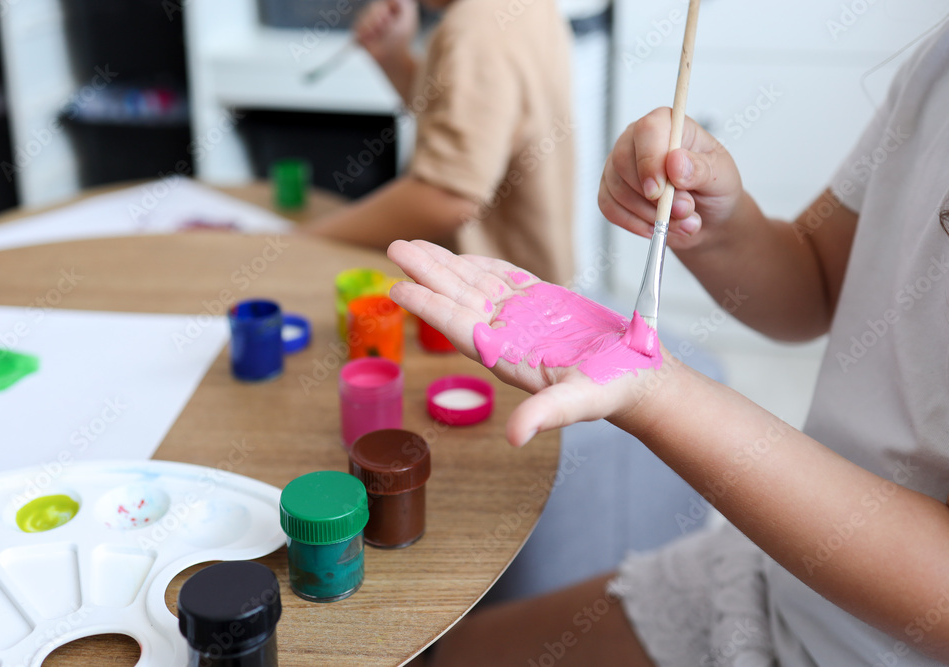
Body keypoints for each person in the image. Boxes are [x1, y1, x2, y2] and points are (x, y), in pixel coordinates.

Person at [387, 18, 949, 667]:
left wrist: (664, 396)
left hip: (875, 643)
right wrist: (720, 227)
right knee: (446, 655)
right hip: (780, 575)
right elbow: (818, 283)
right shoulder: (936, 60)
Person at [303, 0, 576, 285]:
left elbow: (449, 196)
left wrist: (307, 238)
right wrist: (392, 56)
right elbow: (467, 118)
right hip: (535, 288)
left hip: (492, 300)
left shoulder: (475, 30)